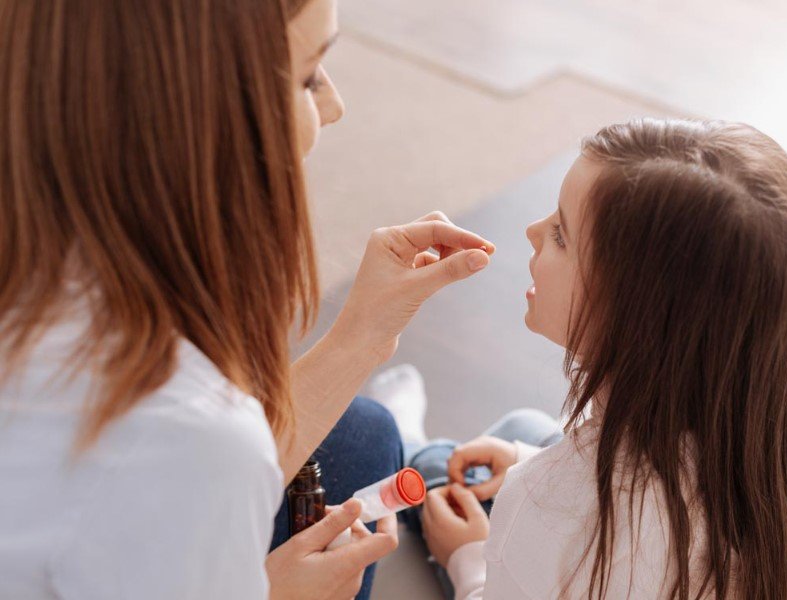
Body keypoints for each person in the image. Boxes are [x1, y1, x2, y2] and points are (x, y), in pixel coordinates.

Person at [0, 1, 494, 599]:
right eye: (309, 77)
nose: (334, 107)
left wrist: (364, 334)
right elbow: (190, 456)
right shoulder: (184, 432)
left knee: (364, 431)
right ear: (199, 118)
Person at [376, 119, 787, 599]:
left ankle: (408, 447)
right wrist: (528, 460)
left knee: (438, 474)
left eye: (561, 235)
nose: (532, 230)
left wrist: (466, 558)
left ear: (637, 313)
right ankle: (416, 445)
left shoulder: (544, 509)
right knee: (523, 430)